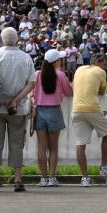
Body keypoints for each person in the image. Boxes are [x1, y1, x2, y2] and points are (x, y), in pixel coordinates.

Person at [0, 27, 36, 192]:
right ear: (17, 39)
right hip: (17, 108)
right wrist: (16, 101)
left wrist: (3, 100)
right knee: (17, 143)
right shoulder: (25, 57)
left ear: (2, 39)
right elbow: (31, 83)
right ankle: (18, 179)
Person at [72, 52, 107, 186]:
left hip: (76, 110)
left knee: (80, 144)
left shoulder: (79, 69)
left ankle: (85, 178)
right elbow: (102, 91)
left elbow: (73, 86)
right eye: (104, 64)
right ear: (98, 62)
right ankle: (104, 165)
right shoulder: (100, 72)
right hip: (92, 108)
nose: (105, 68)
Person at [31, 48, 73, 186]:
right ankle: (52, 177)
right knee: (53, 147)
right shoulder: (60, 75)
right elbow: (69, 92)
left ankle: (43, 178)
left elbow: (32, 92)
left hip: (39, 112)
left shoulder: (37, 74)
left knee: (42, 147)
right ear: (56, 61)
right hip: (54, 111)